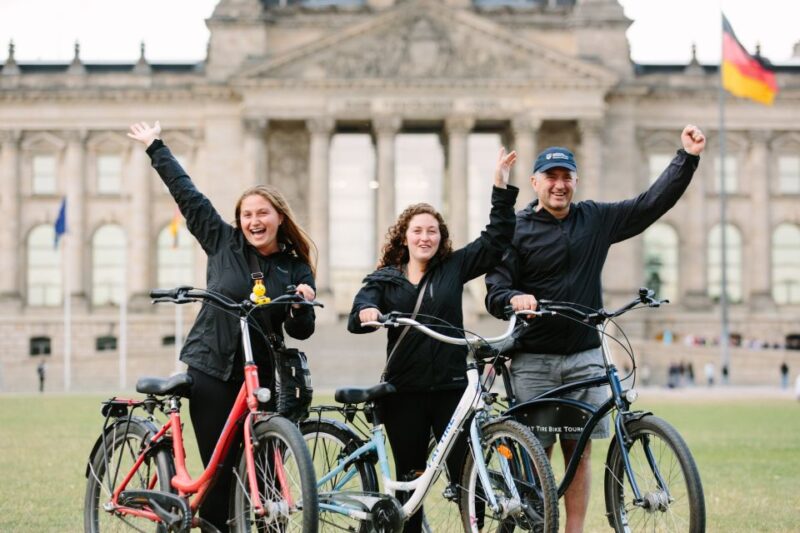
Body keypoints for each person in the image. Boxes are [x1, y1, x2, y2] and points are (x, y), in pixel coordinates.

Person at [485, 125, 706, 533]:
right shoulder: (516, 229)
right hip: (533, 360)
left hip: (586, 355)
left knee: (579, 452)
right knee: (536, 453)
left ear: (575, 181)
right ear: (535, 182)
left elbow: (648, 206)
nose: (559, 184)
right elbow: (495, 289)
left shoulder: (595, 218)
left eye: (566, 176)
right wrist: (512, 300)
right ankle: (536, 523)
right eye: (550, 177)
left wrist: (686, 158)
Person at [128, 121, 317, 532]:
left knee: (265, 475)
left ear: (279, 218)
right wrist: (155, 147)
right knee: (220, 476)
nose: (254, 221)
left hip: (262, 374)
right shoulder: (221, 241)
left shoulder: (295, 267)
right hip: (211, 369)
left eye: (262, 213)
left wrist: (302, 305)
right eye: (247, 214)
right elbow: (188, 196)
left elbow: (302, 330)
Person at [348, 148, 519, 533]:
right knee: (411, 482)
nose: (425, 237)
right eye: (417, 230)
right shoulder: (384, 279)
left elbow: (495, 241)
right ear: (404, 237)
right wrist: (367, 313)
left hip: (451, 388)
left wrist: (500, 188)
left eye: (432, 231)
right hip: (403, 391)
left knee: (466, 474)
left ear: (440, 238)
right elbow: (361, 309)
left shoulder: (453, 268)